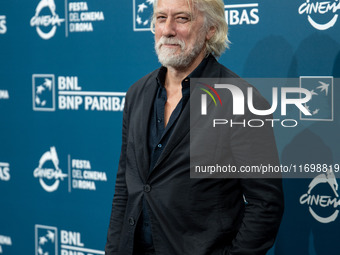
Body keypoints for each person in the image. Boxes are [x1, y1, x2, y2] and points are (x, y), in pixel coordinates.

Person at [105, 0, 284, 254]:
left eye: (182, 18)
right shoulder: (136, 94)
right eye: (160, 18)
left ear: (210, 29)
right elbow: (125, 188)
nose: (167, 29)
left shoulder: (240, 100)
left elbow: (266, 204)